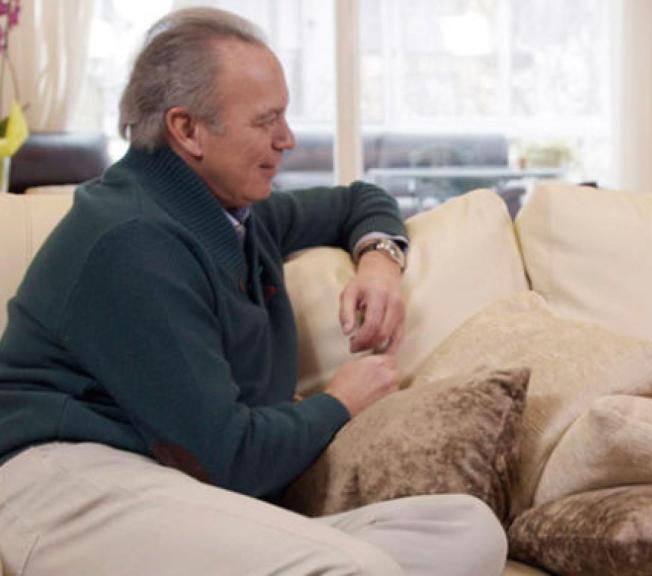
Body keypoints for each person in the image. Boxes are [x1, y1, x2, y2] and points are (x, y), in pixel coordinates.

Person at [0, 8, 506, 576]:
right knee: (362, 569)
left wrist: (380, 261)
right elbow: (230, 458)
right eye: (266, 120)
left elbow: (359, 200)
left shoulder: (236, 210)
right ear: (187, 129)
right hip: (62, 480)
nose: (287, 139)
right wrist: (340, 401)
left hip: (168, 486)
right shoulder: (132, 240)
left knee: (467, 530)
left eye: (284, 116)